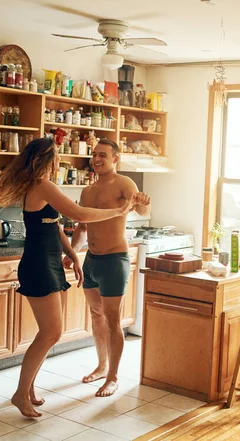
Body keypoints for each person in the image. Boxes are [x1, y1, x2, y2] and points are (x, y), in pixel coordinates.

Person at [0, 138, 134, 418]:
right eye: (56, 157)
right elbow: (78, 214)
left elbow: (53, 223)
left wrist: (72, 252)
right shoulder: (43, 185)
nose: (58, 162)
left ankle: (28, 390)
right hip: (39, 264)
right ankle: (20, 394)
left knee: (48, 332)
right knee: (52, 333)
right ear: (47, 159)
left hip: (47, 262)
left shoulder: (38, 185)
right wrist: (117, 211)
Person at [65, 139, 151, 397]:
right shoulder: (87, 191)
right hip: (91, 260)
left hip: (114, 260)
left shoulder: (124, 183)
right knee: (95, 315)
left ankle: (113, 376)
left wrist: (145, 201)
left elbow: (141, 208)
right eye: (94, 154)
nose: (96, 159)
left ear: (115, 158)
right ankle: (102, 366)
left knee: (113, 320)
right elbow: (82, 226)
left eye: (102, 154)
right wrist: (72, 252)